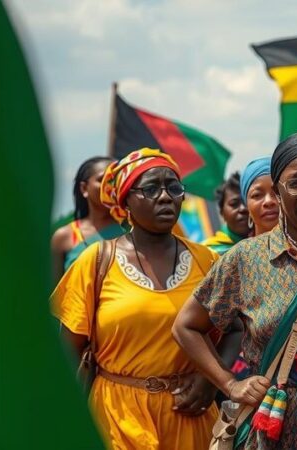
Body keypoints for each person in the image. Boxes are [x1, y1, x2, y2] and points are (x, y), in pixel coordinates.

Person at [173, 133, 297, 449]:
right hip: (272, 428)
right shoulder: (245, 259)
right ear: (278, 191)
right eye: (295, 183)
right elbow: (186, 326)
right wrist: (230, 384)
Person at [52, 148, 240, 449]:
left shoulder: (207, 260)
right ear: (126, 200)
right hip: (117, 419)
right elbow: (67, 352)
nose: (165, 197)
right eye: (151, 188)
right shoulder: (96, 261)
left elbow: (235, 329)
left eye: (174, 187)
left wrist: (211, 380)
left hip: (190, 418)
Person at [51, 156, 124, 282]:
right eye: (102, 179)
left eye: (115, 180)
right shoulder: (64, 236)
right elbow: (53, 291)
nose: (110, 186)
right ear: (84, 188)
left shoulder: (132, 230)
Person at [203, 171, 250, 255]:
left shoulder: (272, 244)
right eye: (234, 204)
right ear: (222, 212)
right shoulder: (207, 253)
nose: (243, 209)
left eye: (246, 202)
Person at [241, 156, 280, 236]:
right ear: (246, 205)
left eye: (277, 192)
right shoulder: (239, 249)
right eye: (257, 195)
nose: (268, 201)